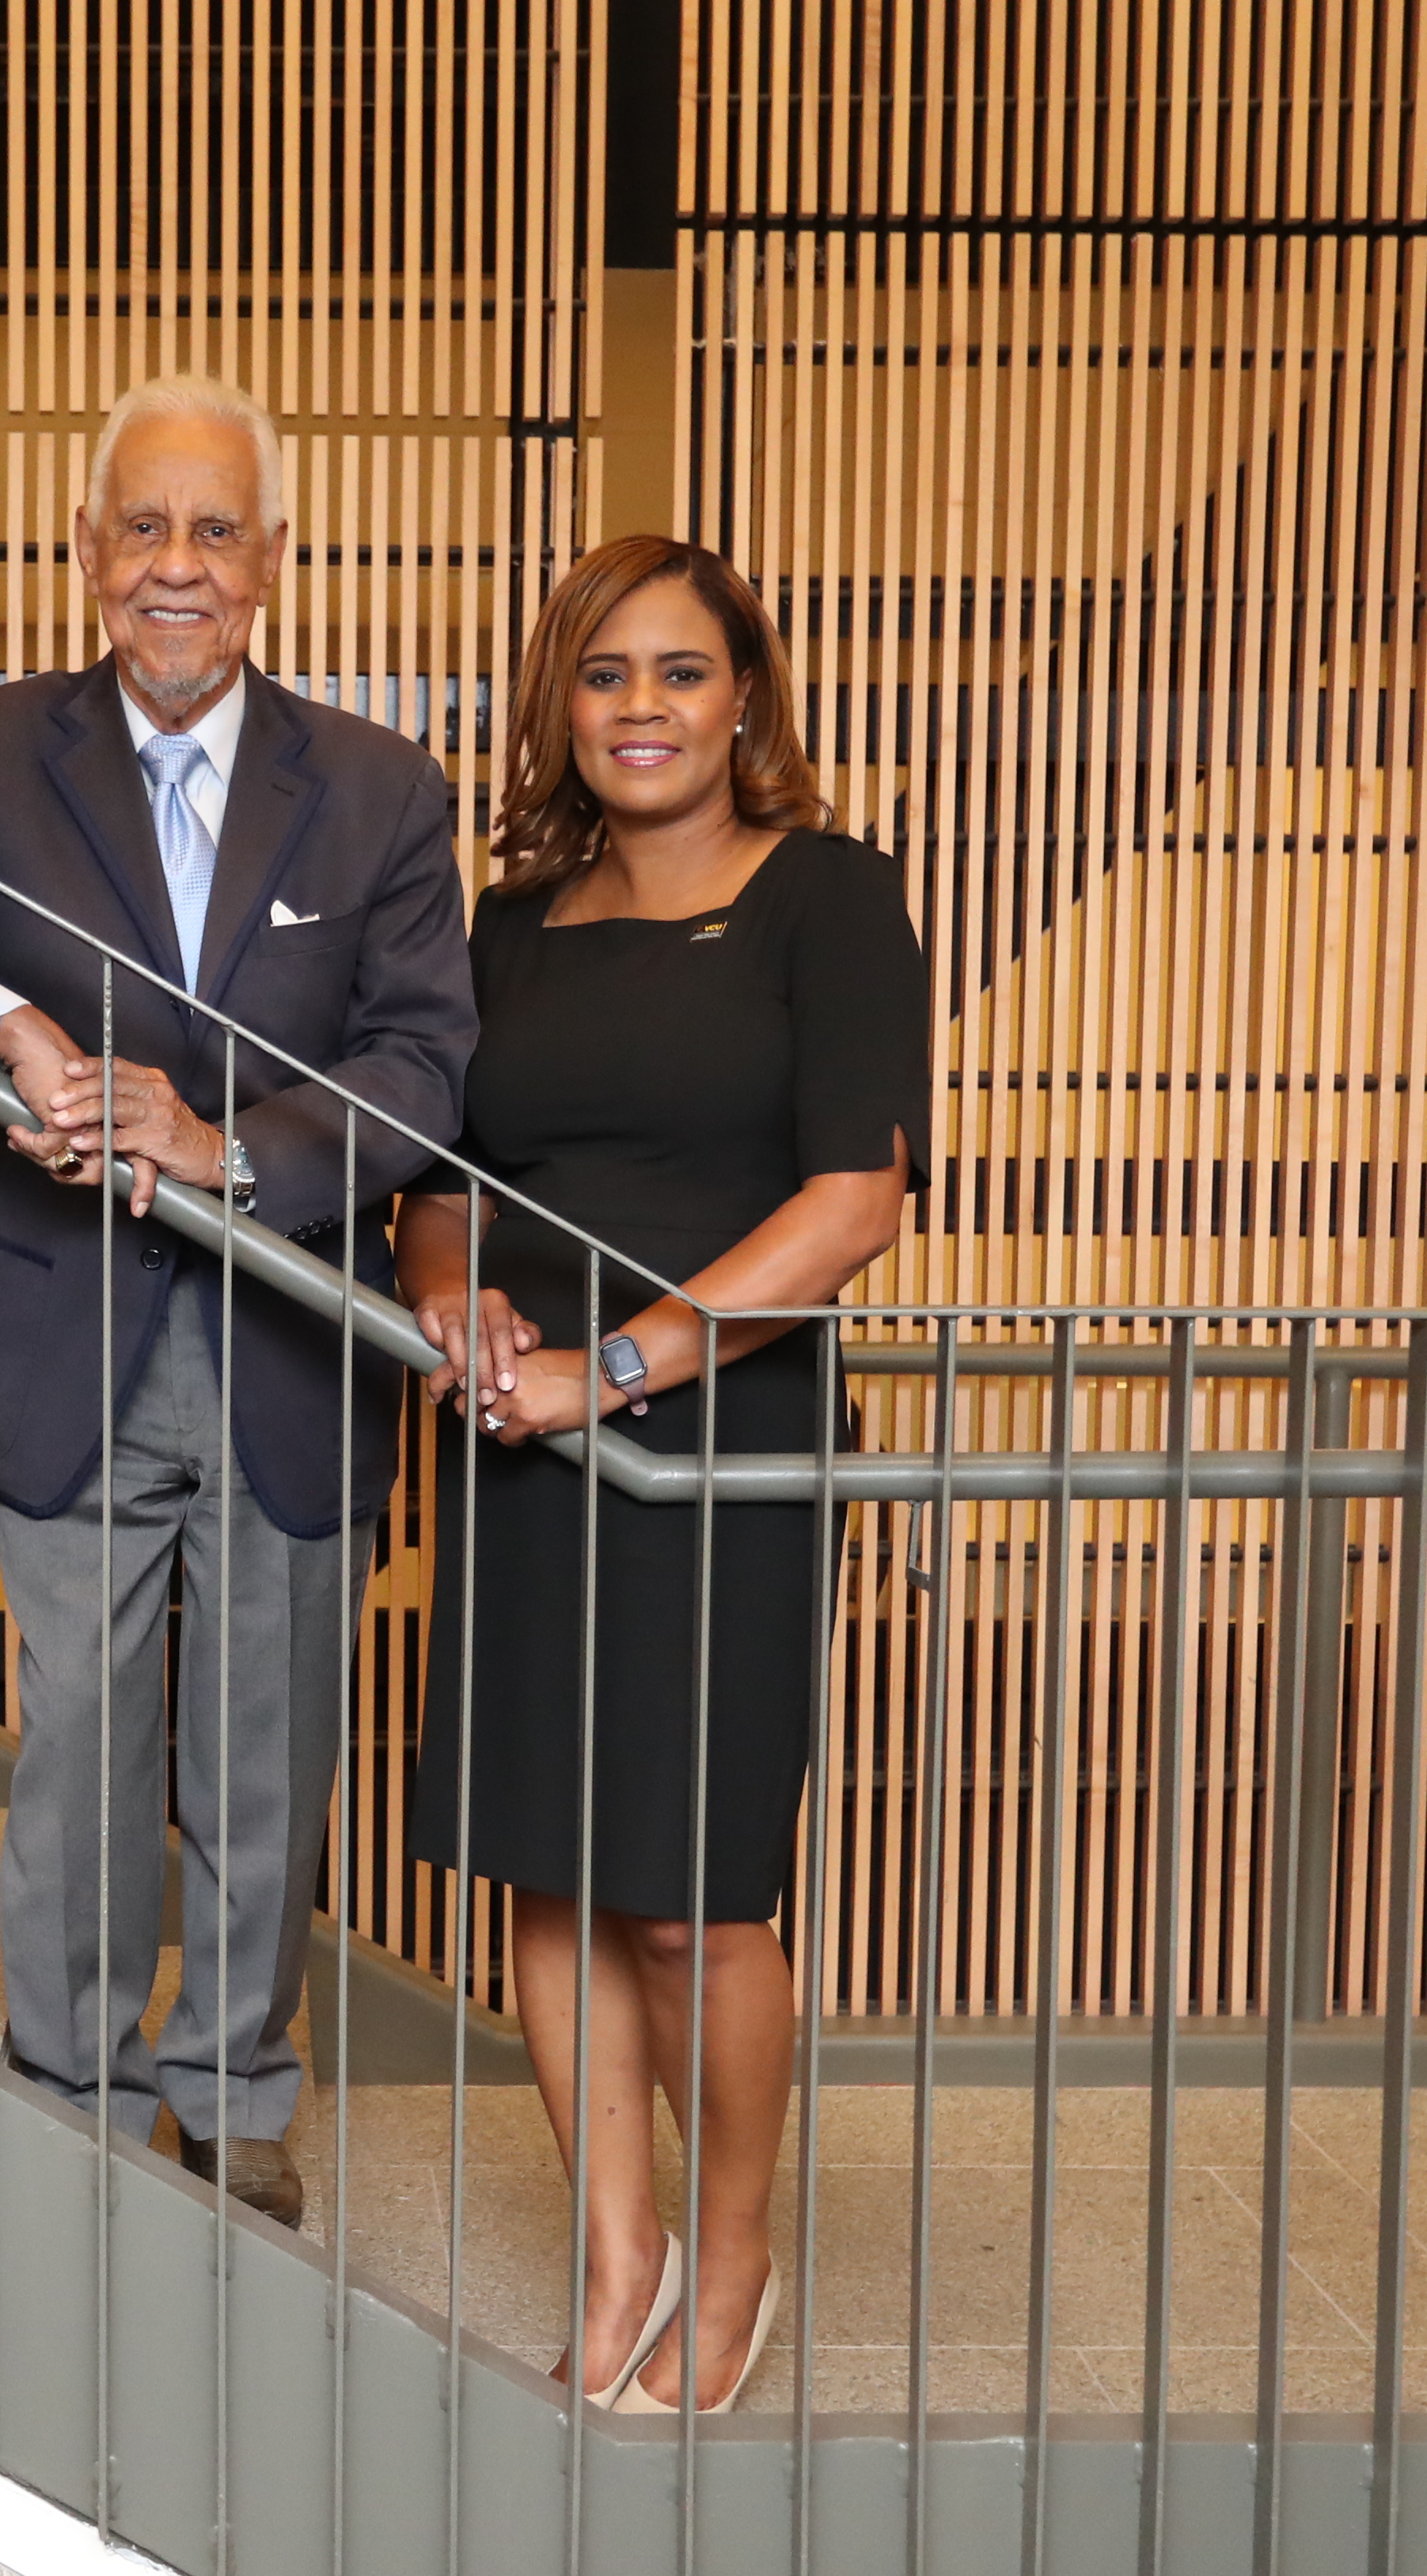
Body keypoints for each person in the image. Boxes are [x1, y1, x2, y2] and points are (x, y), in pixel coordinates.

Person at [0, 374, 476, 2227]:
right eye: (144, 528)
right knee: (80, 1737)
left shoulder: (385, 793)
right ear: (89, 555)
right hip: (72, 1334)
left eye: (215, 530)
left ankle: (235, 2087)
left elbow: (423, 1070)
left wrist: (224, 1140)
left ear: (273, 565)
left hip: (287, 1350)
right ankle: (64, 2077)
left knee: (266, 1746)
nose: (179, 566)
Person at [397, 537, 928, 2411]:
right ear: (564, 705)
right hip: (519, 1428)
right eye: (606, 674)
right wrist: (456, 1310)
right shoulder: (512, 926)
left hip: (721, 1436)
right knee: (551, 1870)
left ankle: (743, 2238)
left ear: (746, 698)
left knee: (695, 1889)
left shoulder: (833, 903)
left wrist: (611, 1367)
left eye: (680, 672)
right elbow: (440, 1181)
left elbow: (853, 1204)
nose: (642, 708)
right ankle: (619, 2243)